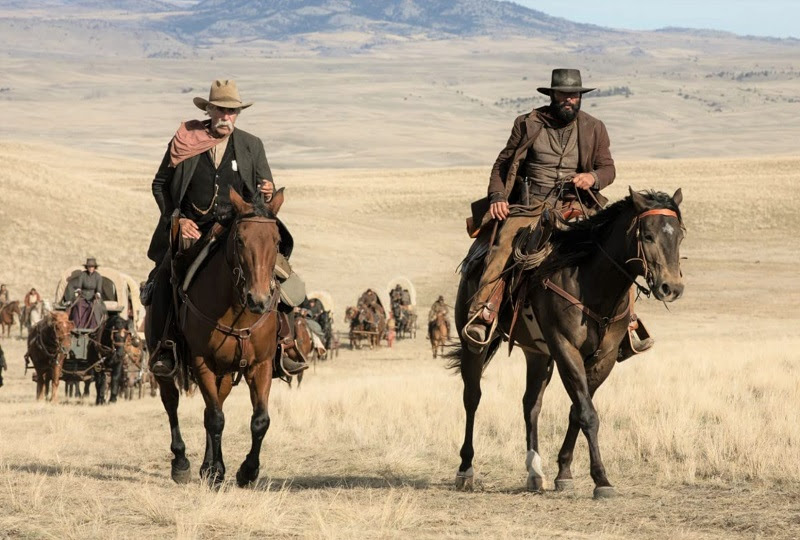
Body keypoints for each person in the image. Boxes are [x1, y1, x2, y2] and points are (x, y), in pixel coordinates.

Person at [463, 69, 651, 357]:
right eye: (564, 94)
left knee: (616, 246)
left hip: (577, 205)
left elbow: (608, 168)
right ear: (552, 95)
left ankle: (628, 323)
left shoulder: (594, 127)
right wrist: (498, 197)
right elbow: (502, 165)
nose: (570, 100)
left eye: (574, 95)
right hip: (531, 206)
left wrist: (593, 178)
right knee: (503, 245)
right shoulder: (528, 124)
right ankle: (484, 312)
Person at [142, 79, 307, 378]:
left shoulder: (251, 145)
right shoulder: (185, 140)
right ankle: (166, 345)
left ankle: (285, 343)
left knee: (280, 273)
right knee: (166, 274)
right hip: (195, 229)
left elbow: (263, 197)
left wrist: (266, 193)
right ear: (210, 110)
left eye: (232, 111)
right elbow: (160, 185)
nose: (226, 116)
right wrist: (177, 219)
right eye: (221, 110)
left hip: (237, 230)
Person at [70, 258, 105, 328]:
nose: (91, 268)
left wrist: (97, 294)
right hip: (83, 296)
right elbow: (79, 286)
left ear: (95, 267)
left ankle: (93, 327)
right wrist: (79, 290)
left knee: (94, 307)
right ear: (87, 267)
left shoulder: (98, 276)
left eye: (92, 266)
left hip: (93, 296)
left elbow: (99, 289)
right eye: (89, 266)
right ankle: (77, 326)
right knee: (77, 305)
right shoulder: (82, 274)